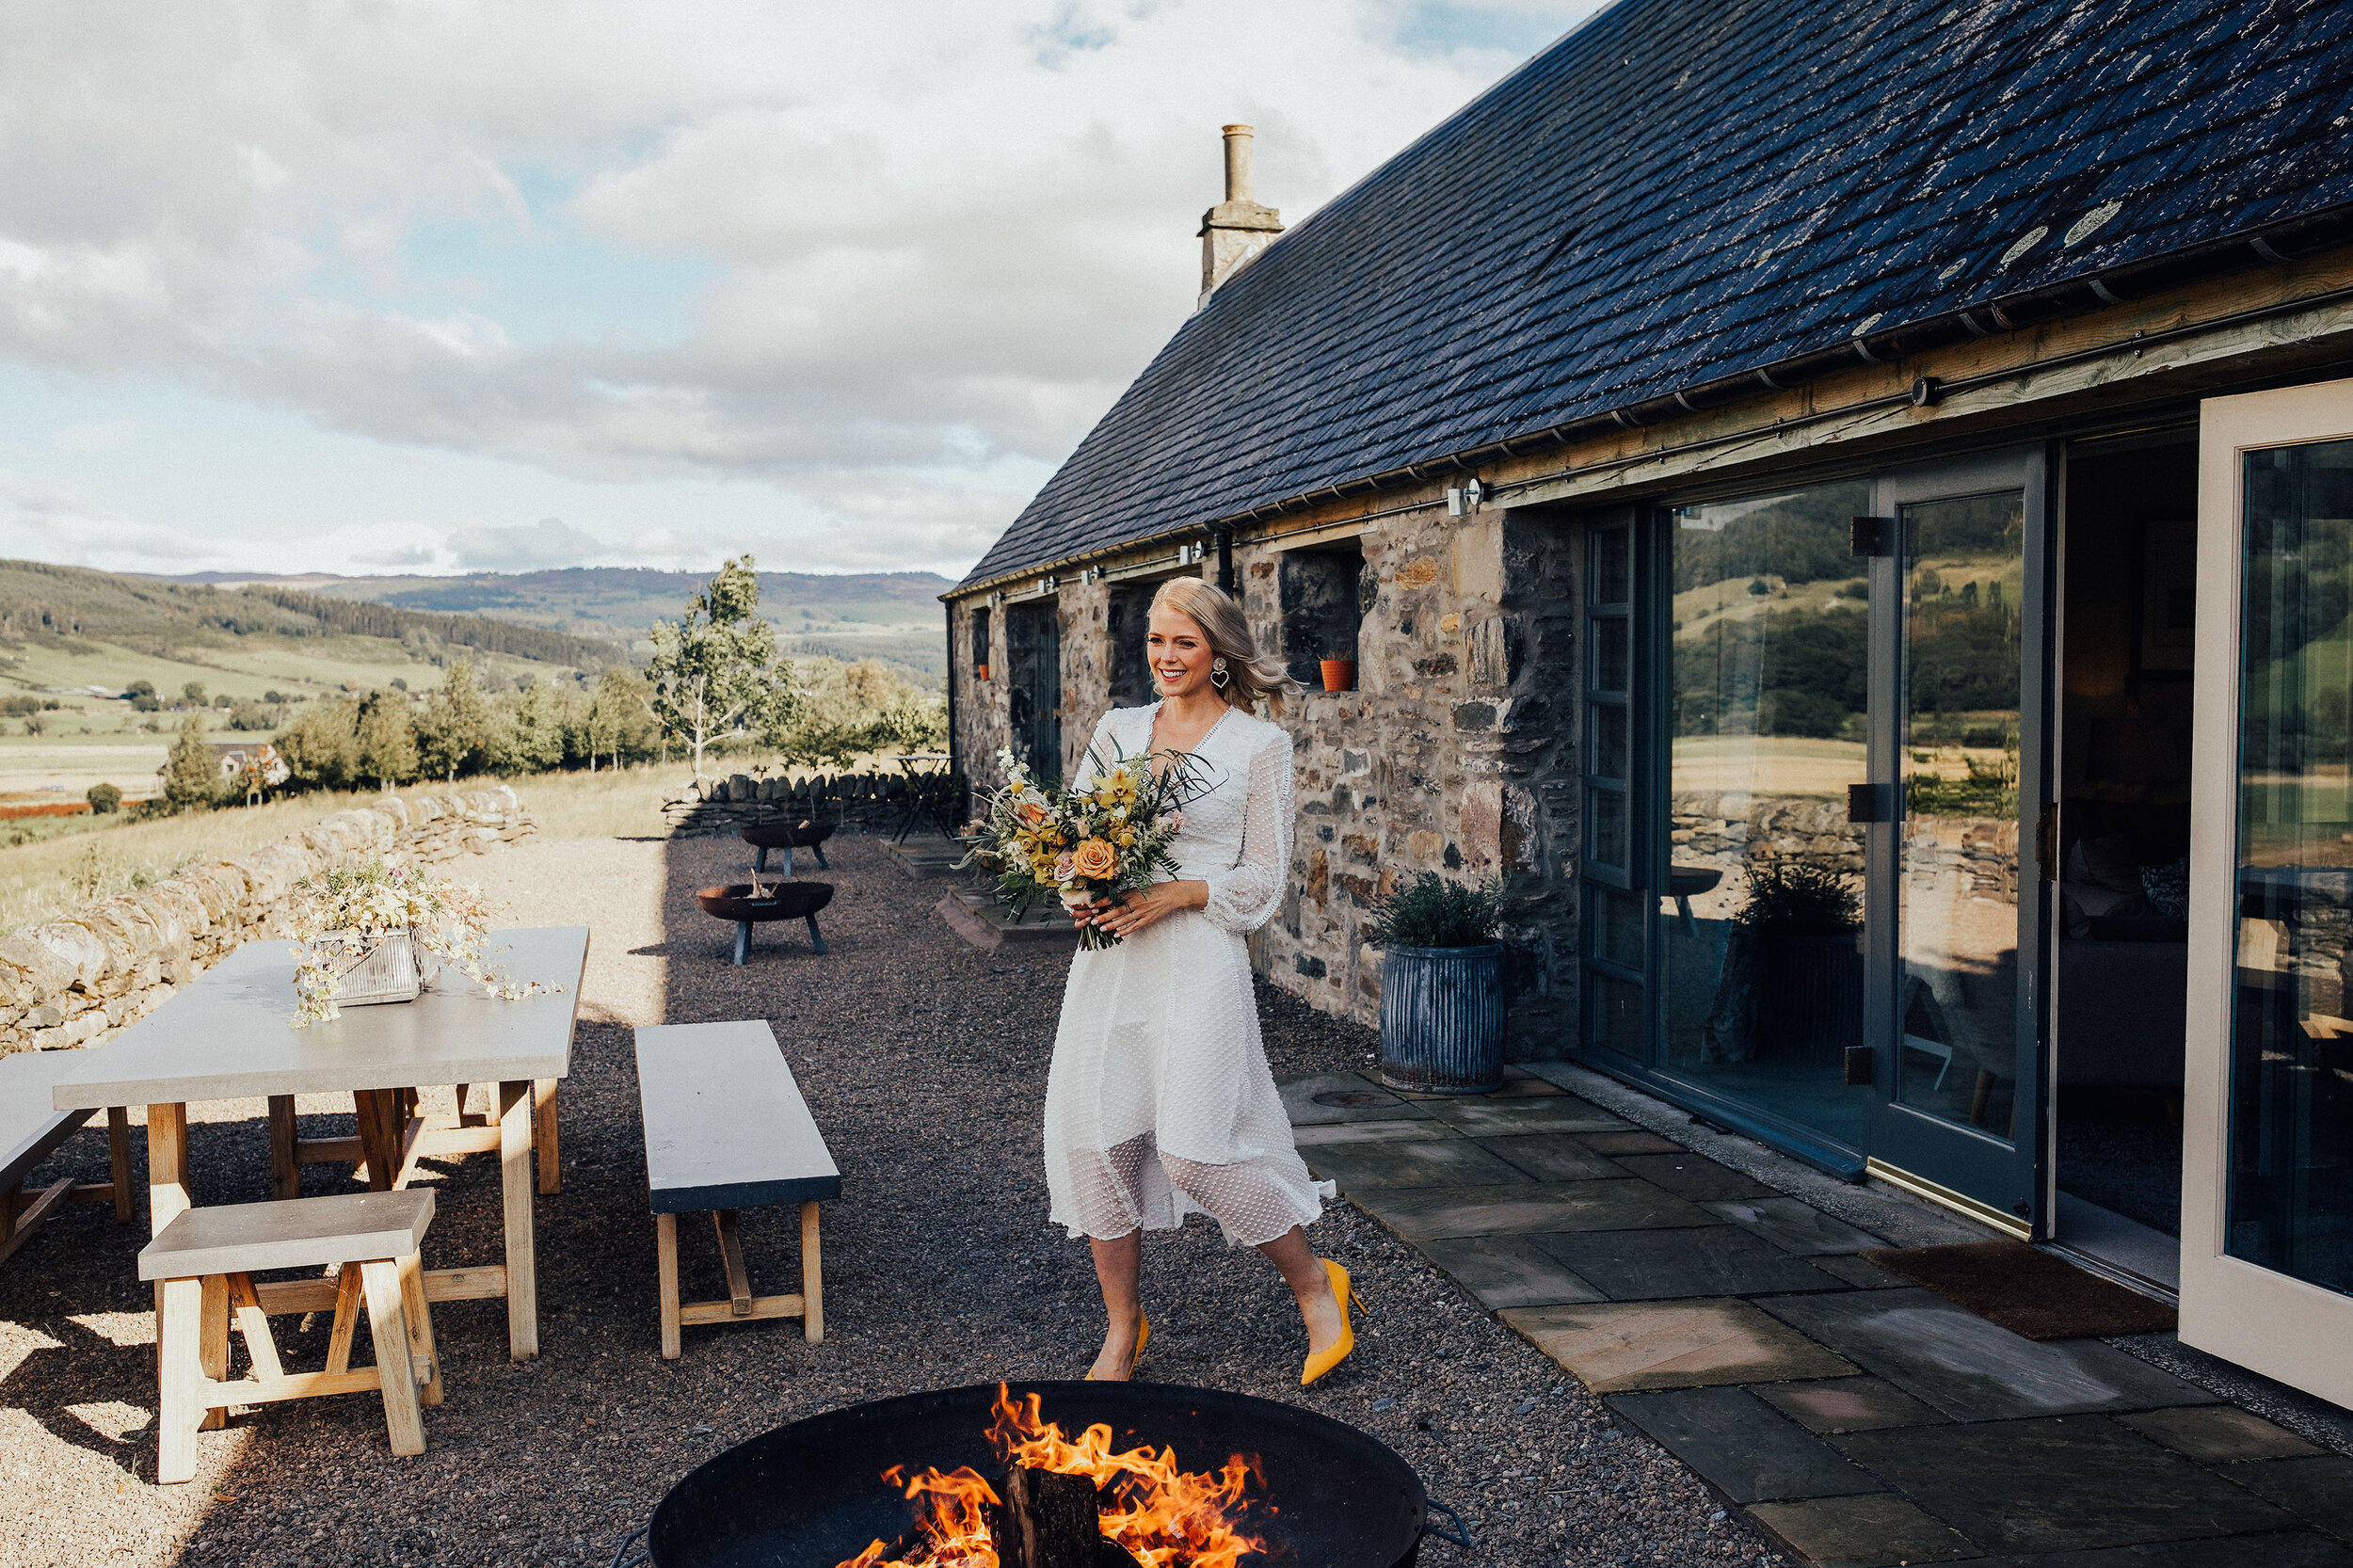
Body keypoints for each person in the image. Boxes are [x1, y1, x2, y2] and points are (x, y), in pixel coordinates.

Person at [1044, 576, 1362, 1385]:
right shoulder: (1115, 730)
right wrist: (1081, 887)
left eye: (1184, 641)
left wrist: (1177, 892)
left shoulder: (1259, 746)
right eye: (1155, 639)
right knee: (1099, 1146)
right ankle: (1123, 1331)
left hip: (1199, 962)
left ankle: (1316, 1283)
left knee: (1194, 1154)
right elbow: (1071, 845)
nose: (1166, 656)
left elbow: (1264, 880)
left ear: (1218, 651)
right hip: (1112, 966)